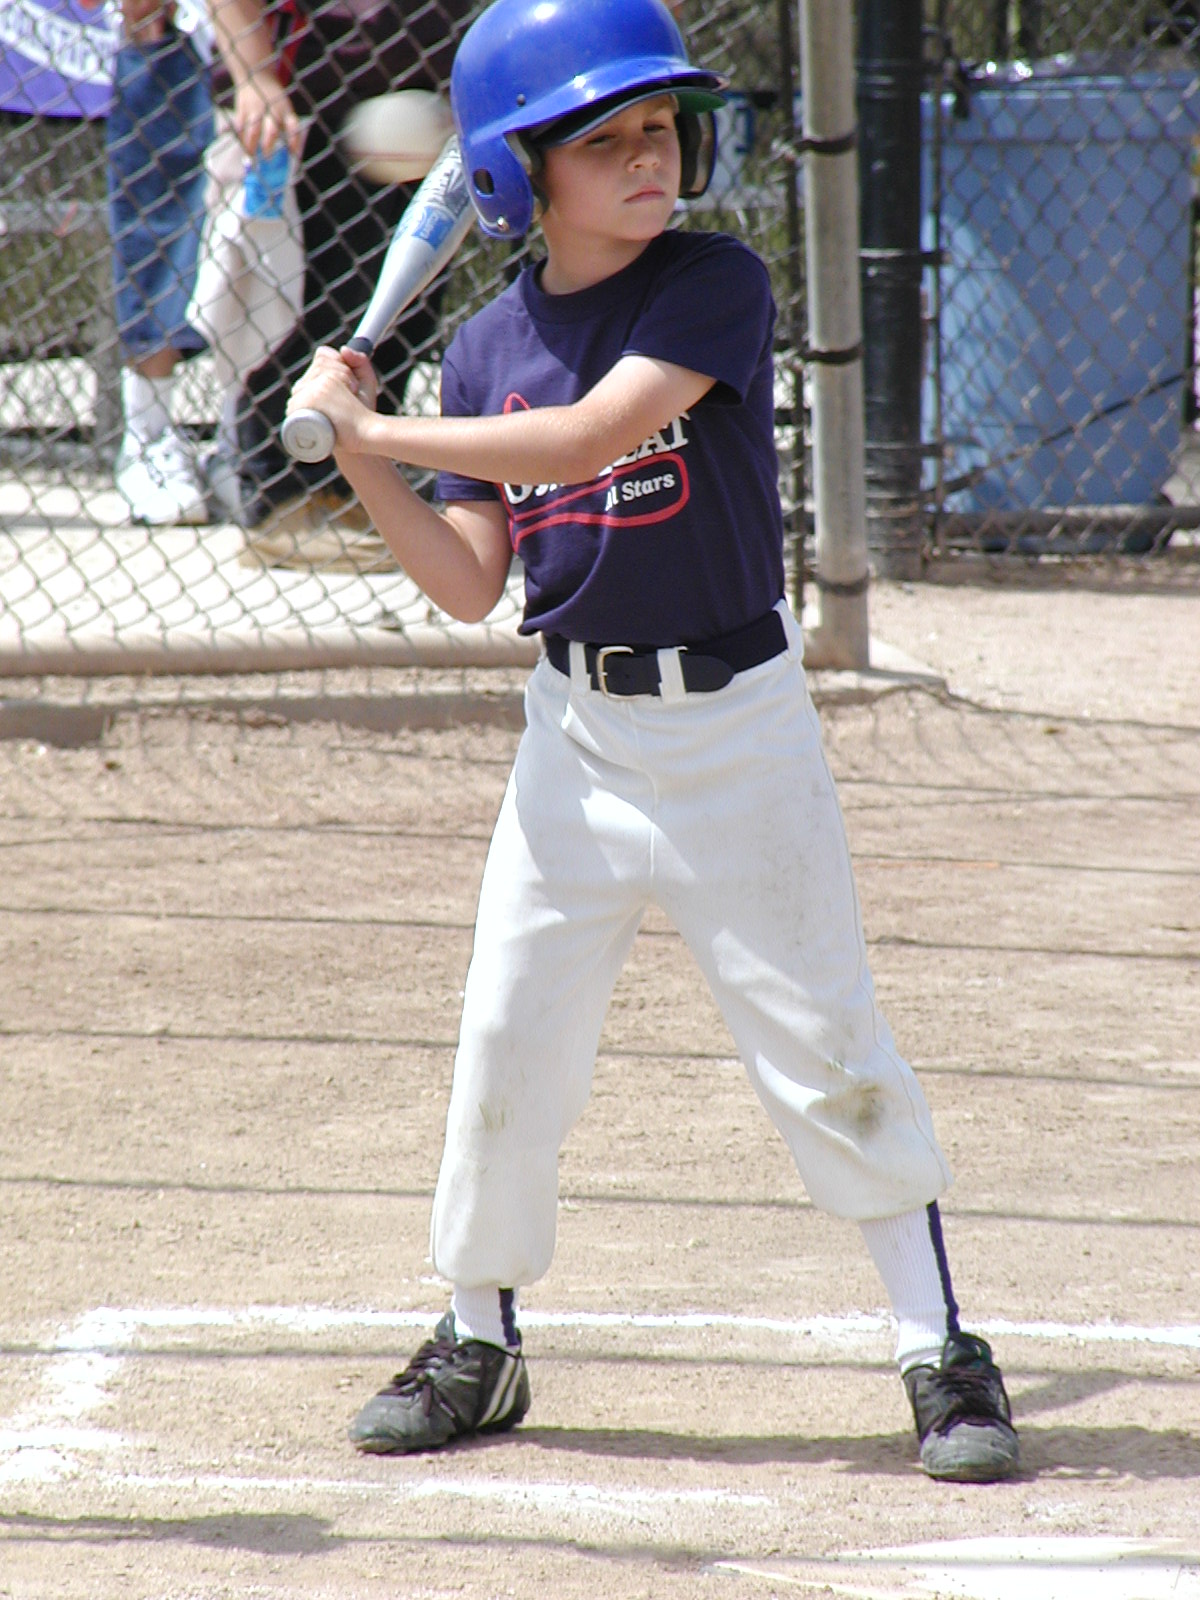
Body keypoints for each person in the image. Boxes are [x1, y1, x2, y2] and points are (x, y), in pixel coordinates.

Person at [286, 0, 1021, 1484]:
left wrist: (375, 433)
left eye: (661, 128)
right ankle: (479, 1337)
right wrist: (364, 458)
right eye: (604, 140)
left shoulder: (712, 283)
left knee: (826, 1046)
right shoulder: (485, 348)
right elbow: (469, 581)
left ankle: (937, 1345)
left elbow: (581, 440)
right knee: (509, 1034)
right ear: (517, 177)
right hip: (575, 738)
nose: (648, 158)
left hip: (739, 735)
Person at [208, 0, 476, 566]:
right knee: (312, 309)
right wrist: (254, 76)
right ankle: (282, 499)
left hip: (433, 108)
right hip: (310, 109)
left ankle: (351, 493)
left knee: (406, 312)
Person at [104, 0, 215, 525]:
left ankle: (240, 444)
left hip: (284, 42)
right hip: (176, 35)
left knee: (262, 242)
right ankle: (147, 439)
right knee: (159, 227)